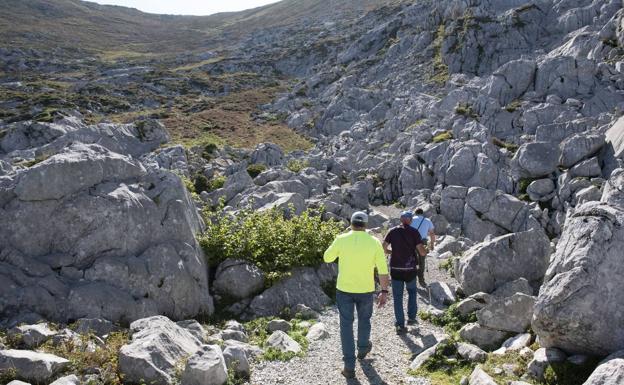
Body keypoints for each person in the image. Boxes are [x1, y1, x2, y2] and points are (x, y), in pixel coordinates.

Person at [323, 211, 390, 379]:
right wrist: (384, 291)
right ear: (365, 225)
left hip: (344, 290)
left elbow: (327, 257)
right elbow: (382, 270)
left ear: (351, 223)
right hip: (366, 290)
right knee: (364, 320)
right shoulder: (374, 242)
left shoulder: (341, 239)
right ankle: (362, 347)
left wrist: (342, 243)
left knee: (346, 326)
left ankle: (349, 367)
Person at [383, 211, 427, 334]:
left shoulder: (392, 231)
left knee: (397, 297)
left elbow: (384, 247)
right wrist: (425, 250)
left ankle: (400, 324)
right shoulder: (414, 232)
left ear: (401, 219)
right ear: (410, 220)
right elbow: (422, 252)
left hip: (396, 268)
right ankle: (412, 318)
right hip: (410, 268)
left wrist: (392, 253)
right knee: (412, 292)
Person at [410, 208, 436, 287]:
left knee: (411, 260)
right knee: (422, 260)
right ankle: (421, 280)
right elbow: (432, 233)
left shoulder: (411, 219)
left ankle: (411, 280)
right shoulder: (427, 220)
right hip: (423, 242)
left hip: (411, 242)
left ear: (415, 213)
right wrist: (432, 244)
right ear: (422, 213)